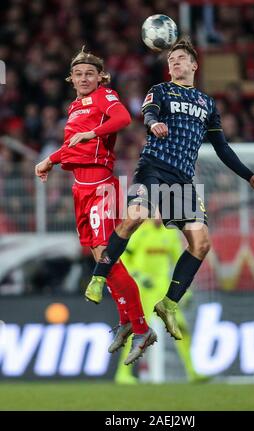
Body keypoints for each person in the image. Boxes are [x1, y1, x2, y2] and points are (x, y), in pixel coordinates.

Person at [83, 37, 254, 341]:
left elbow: (222, 148)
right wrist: (154, 122)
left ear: (194, 65)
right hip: (153, 168)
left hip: (182, 181)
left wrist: (249, 177)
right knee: (135, 216)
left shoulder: (207, 103)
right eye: (171, 59)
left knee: (201, 244)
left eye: (181, 58)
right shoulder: (160, 90)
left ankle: (168, 304)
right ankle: (97, 278)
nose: (175, 62)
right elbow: (149, 113)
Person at [35, 47, 157, 365]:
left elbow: (124, 118)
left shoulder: (106, 96)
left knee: (107, 256)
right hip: (79, 188)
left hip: (101, 186)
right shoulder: (75, 106)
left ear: (99, 77)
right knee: (97, 255)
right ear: (71, 79)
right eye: (79, 74)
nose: (84, 78)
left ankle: (142, 329)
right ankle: (127, 320)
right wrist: (49, 160)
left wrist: (92, 131)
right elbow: (72, 146)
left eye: (90, 73)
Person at [114, 217, 208, 384]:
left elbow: (181, 263)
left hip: (163, 290)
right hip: (142, 290)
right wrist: (139, 276)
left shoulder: (170, 234)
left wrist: (184, 291)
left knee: (180, 328)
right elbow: (124, 260)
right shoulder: (139, 232)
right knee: (136, 330)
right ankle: (123, 374)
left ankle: (192, 371)